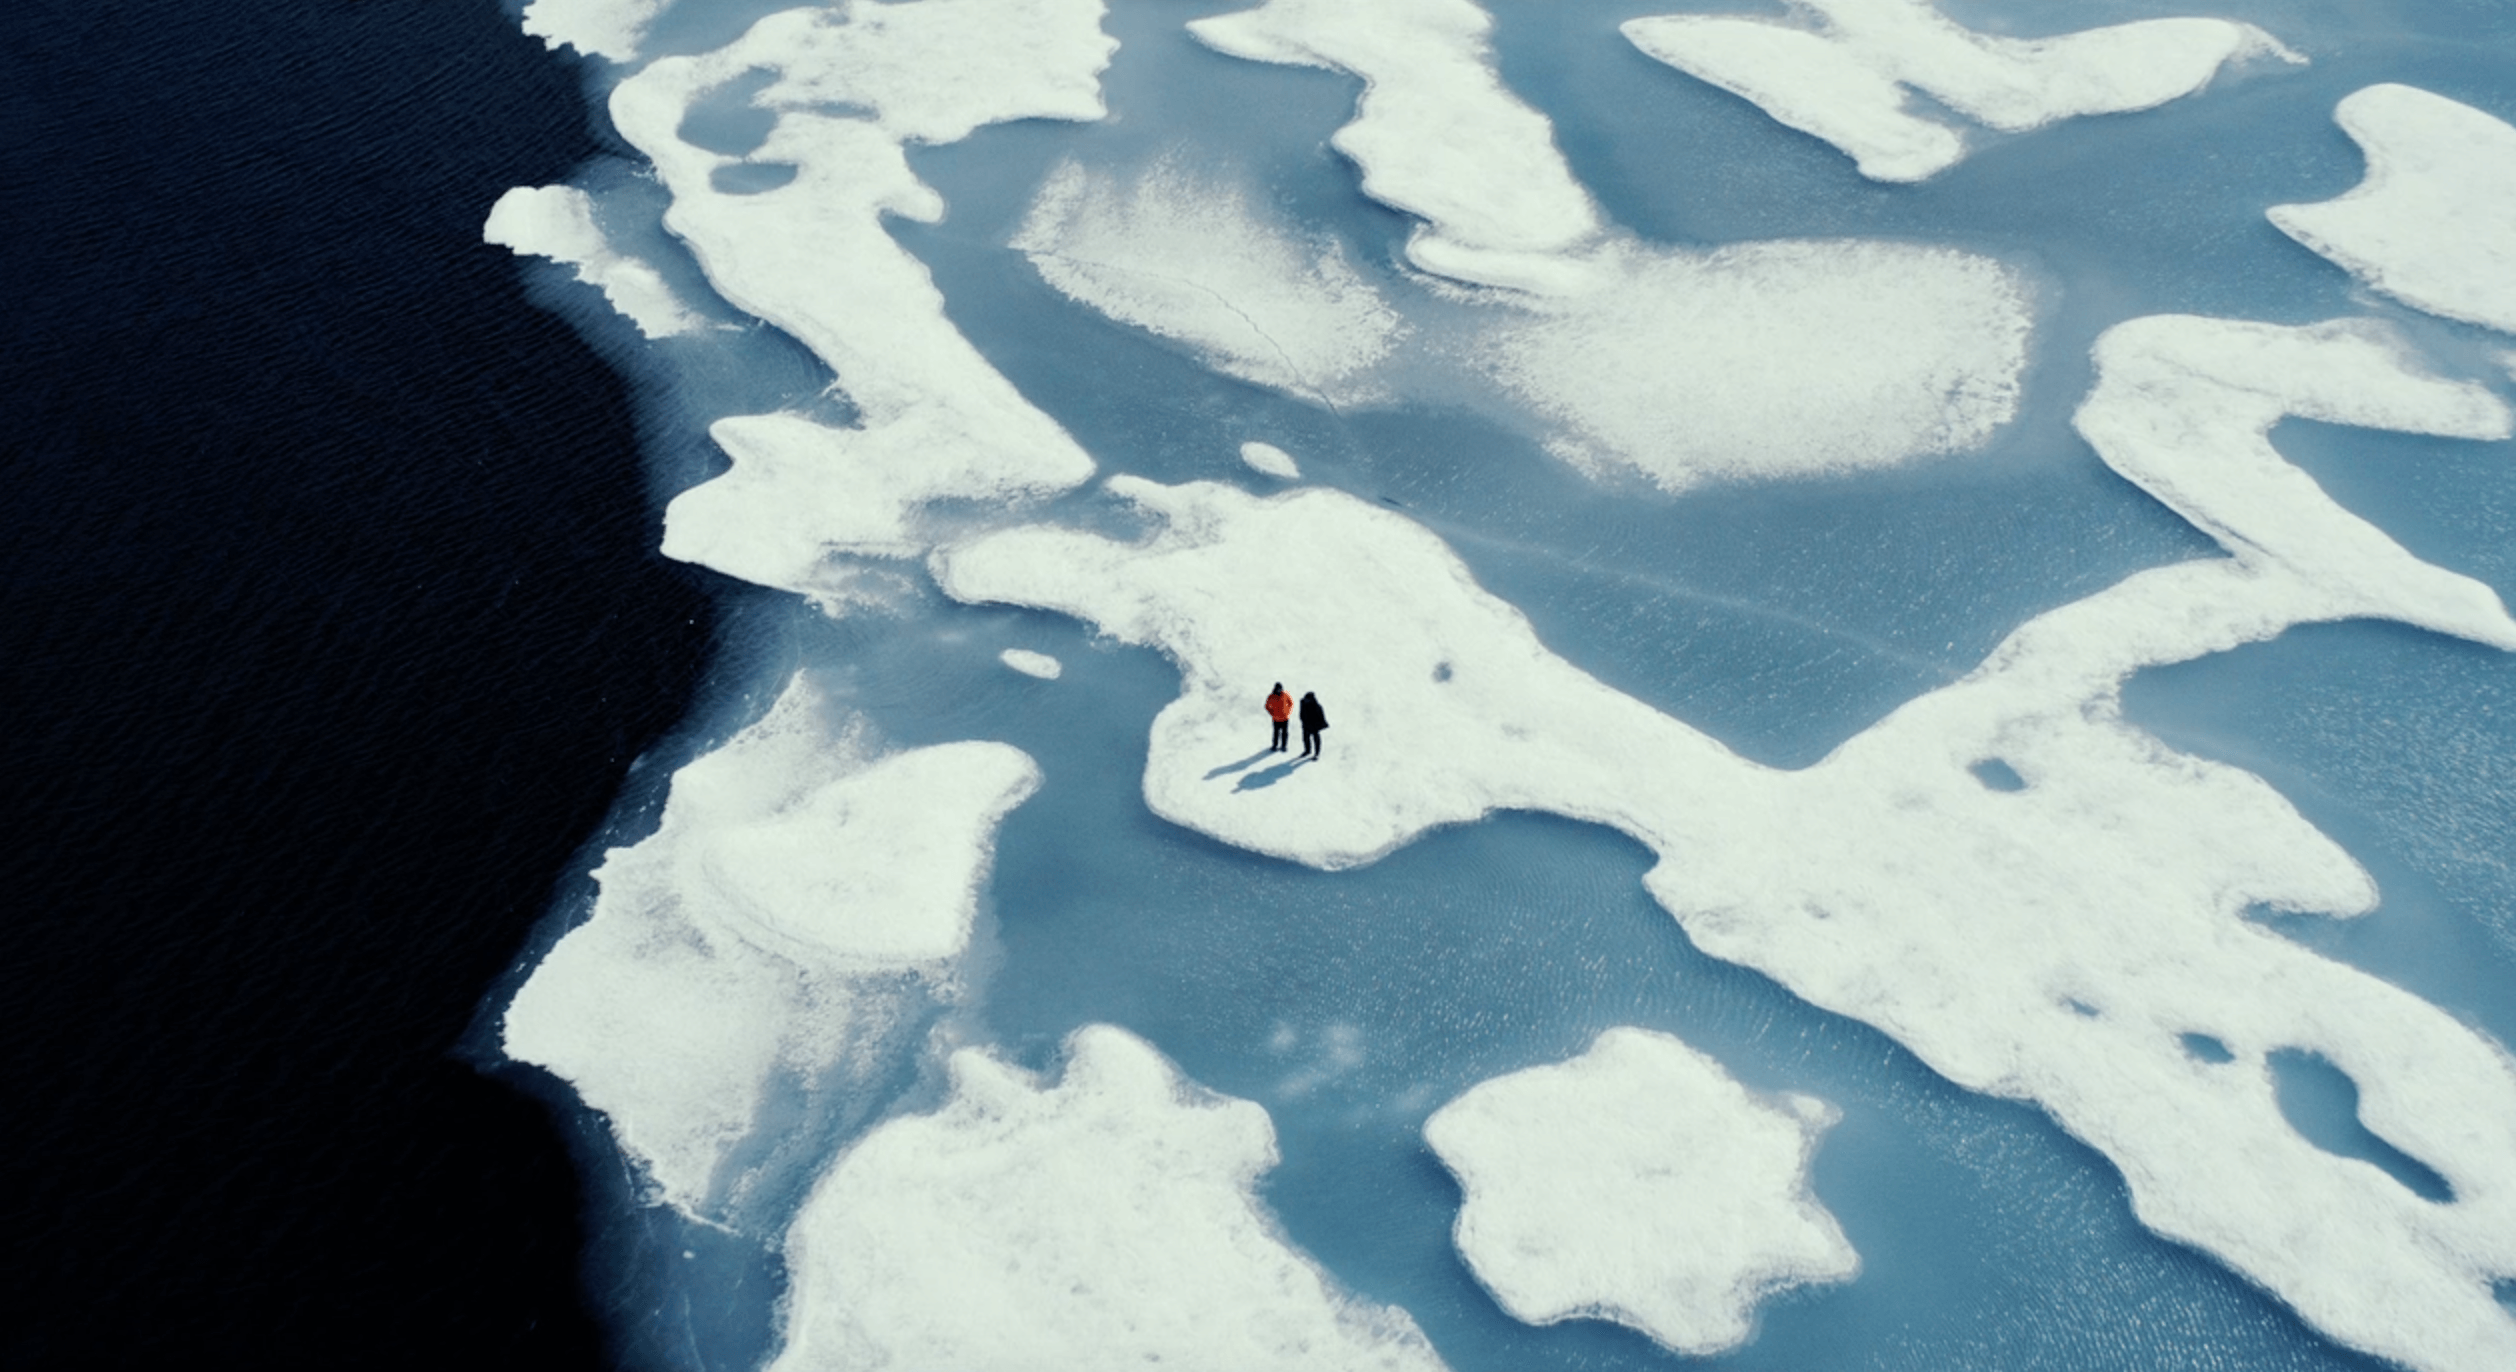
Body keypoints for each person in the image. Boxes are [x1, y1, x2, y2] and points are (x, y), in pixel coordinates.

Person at [1298, 691, 1327, 760]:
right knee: (1305, 738)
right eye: (1305, 698)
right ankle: (1307, 750)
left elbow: (1321, 717)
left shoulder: (1317, 706)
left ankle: (1317, 753)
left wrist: (1318, 725)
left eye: (1307, 699)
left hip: (1314, 725)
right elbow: (1301, 713)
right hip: (1306, 724)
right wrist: (1302, 720)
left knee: (1316, 739)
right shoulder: (1303, 703)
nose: (1306, 700)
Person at [1264, 683, 1293, 752]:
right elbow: (1267, 706)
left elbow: (1290, 703)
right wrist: (1272, 713)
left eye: (1280, 688)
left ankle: (1284, 746)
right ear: (1275, 689)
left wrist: (1287, 711)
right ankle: (1275, 745)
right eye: (1278, 689)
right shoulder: (1271, 696)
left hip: (1285, 718)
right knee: (1276, 733)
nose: (1279, 690)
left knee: (1284, 733)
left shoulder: (1285, 695)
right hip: (1276, 719)